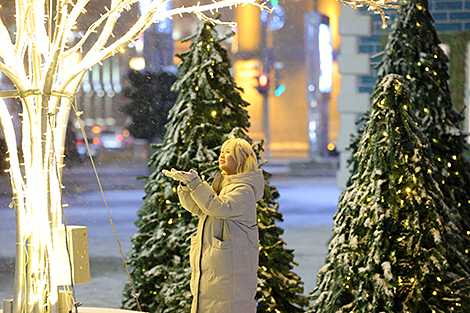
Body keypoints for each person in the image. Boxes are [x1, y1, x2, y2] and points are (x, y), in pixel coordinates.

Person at [163, 138, 264, 313]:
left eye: (228, 152)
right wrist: (186, 185)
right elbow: (200, 208)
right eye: (222, 151)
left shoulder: (244, 190)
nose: (222, 155)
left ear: (242, 159)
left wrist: (196, 183)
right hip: (216, 268)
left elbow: (218, 208)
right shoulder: (224, 186)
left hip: (229, 273)